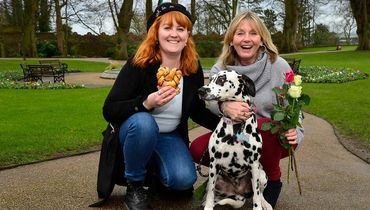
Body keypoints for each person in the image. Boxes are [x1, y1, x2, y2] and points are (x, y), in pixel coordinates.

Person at [102, 3, 219, 210]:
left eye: (181, 29)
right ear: (156, 33)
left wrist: (228, 125)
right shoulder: (140, 63)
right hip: (135, 131)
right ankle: (135, 186)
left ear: (187, 35)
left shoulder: (192, 67)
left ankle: (155, 176)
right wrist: (146, 103)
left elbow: (197, 111)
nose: (174, 34)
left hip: (168, 135)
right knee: (144, 123)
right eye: (167, 28)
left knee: (182, 180)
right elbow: (110, 109)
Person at [189, 11, 304, 209]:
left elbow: (294, 105)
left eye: (253, 33)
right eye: (240, 33)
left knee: (262, 126)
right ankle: (231, 182)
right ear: (231, 40)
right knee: (199, 148)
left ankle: (272, 181)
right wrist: (224, 106)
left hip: (273, 139)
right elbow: (212, 102)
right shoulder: (221, 68)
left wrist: (297, 130)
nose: (246, 39)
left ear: (262, 40)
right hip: (235, 137)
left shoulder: (278, 65)